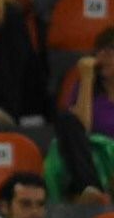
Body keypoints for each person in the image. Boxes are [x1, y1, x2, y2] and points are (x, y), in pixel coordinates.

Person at [49, 25, 114, 204]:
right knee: (67, 120)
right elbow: (81, 128)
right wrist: (86, 78)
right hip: (92, 159)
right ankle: (91, 189)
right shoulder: (86, 86)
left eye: (110, 51)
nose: (102, 57)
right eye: (99, 51)